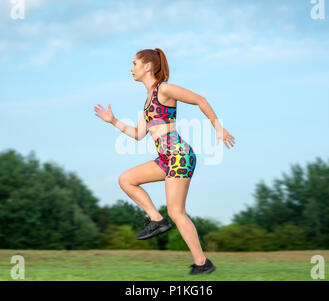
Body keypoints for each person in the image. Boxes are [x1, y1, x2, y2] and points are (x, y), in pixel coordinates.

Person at [94, 48, 235, 275]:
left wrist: (219, 128)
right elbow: (139, 134)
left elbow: (200, 100)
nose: (131, 69)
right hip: (165, 158)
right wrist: (113, 121)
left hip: (179, 155)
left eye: (134, 64)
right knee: (126, 179)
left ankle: (202, 262)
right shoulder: (147, 102)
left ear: (148, 66)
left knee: (177, 212)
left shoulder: (164, 89)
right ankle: (157, 220)